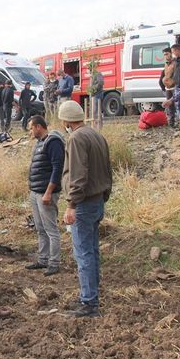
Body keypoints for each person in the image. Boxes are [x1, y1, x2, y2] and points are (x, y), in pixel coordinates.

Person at [59, 101, 112, 318]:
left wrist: (71, 204)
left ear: (67, 120)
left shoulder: (76, 138)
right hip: (97, 200)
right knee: (92, 251)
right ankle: (90, 295)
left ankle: (89, 302)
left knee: (84, 254)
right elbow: (108, 169)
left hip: (84, 203)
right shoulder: (96, 135)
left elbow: (79, 174)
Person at [25, 115, 65, 277]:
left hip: (45, 193)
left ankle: (54, 262)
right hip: (36, 191)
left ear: (38, 127)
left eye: (31, 128)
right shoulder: (40, 143)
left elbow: (57, 168)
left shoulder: (53, 142)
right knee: (40, 228)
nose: (30, 131)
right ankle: (43, 259)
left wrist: (48, 192)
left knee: (50, 229)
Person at [159, 47, 177, 128]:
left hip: (174, 87)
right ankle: (171, 122)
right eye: (164, 55)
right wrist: (163, 86)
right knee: (169, 106)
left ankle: (179, 122)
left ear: (171, 53)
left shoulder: (175, 63)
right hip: (168, 88)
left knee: (177, 105)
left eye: (167, 54)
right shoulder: (166, 64)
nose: (165, 56)